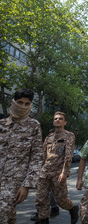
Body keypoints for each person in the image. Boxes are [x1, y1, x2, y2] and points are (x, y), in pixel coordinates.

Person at [0, 88, 43, 224]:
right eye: (20, 102)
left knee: (3, 210)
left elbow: (37, 156)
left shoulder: (33, 126)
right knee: (8, 216)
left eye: (27, 104)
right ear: (13, 102)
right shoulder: (1, 125)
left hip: (14, 181)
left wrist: (27, 185)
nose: (23, 106)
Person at [34, 111, 78, 224]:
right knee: (40, 198)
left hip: (58, 173)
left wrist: (64, 172)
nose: (57, 120)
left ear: (65, 122)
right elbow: (44, 155)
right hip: (45, 172)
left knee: (61, 200)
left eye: (60, 119)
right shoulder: (49, 137)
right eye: (55, 119)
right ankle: (44, 220)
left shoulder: (69, 135)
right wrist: (39, 170)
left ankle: (73, 209)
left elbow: (68, 156)